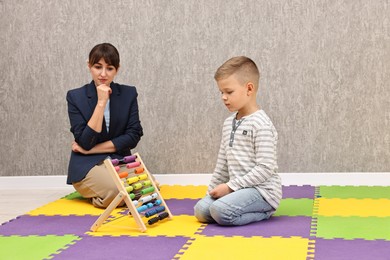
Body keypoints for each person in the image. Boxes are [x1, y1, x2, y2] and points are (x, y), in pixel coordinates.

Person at [194, 56, 282, 226]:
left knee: (220, 211)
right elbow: (222, 164)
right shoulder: (228, 123)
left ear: (249, 89)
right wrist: (210, 193)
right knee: (201, 211)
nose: (223, 97)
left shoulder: (261, 124)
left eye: (229, 92)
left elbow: (265, 168)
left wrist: (230, 187)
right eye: (221, 92)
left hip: (262, 191)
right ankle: (227, 204)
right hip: (238, 188)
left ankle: (265, 212)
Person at [66, 43, 143, 208]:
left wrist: (92, 149)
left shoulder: (129, 93)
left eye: (109, 68)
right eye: (97, 67)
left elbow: (133, 135)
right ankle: (101, 197)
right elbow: (85, 141)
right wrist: (101, 102)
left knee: (148, 188)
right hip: (87, 164)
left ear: (117, 69)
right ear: (89, 66)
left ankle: (108, 194)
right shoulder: (75, 96)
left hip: (117, 159)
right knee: (118, 192)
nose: (103, 74)